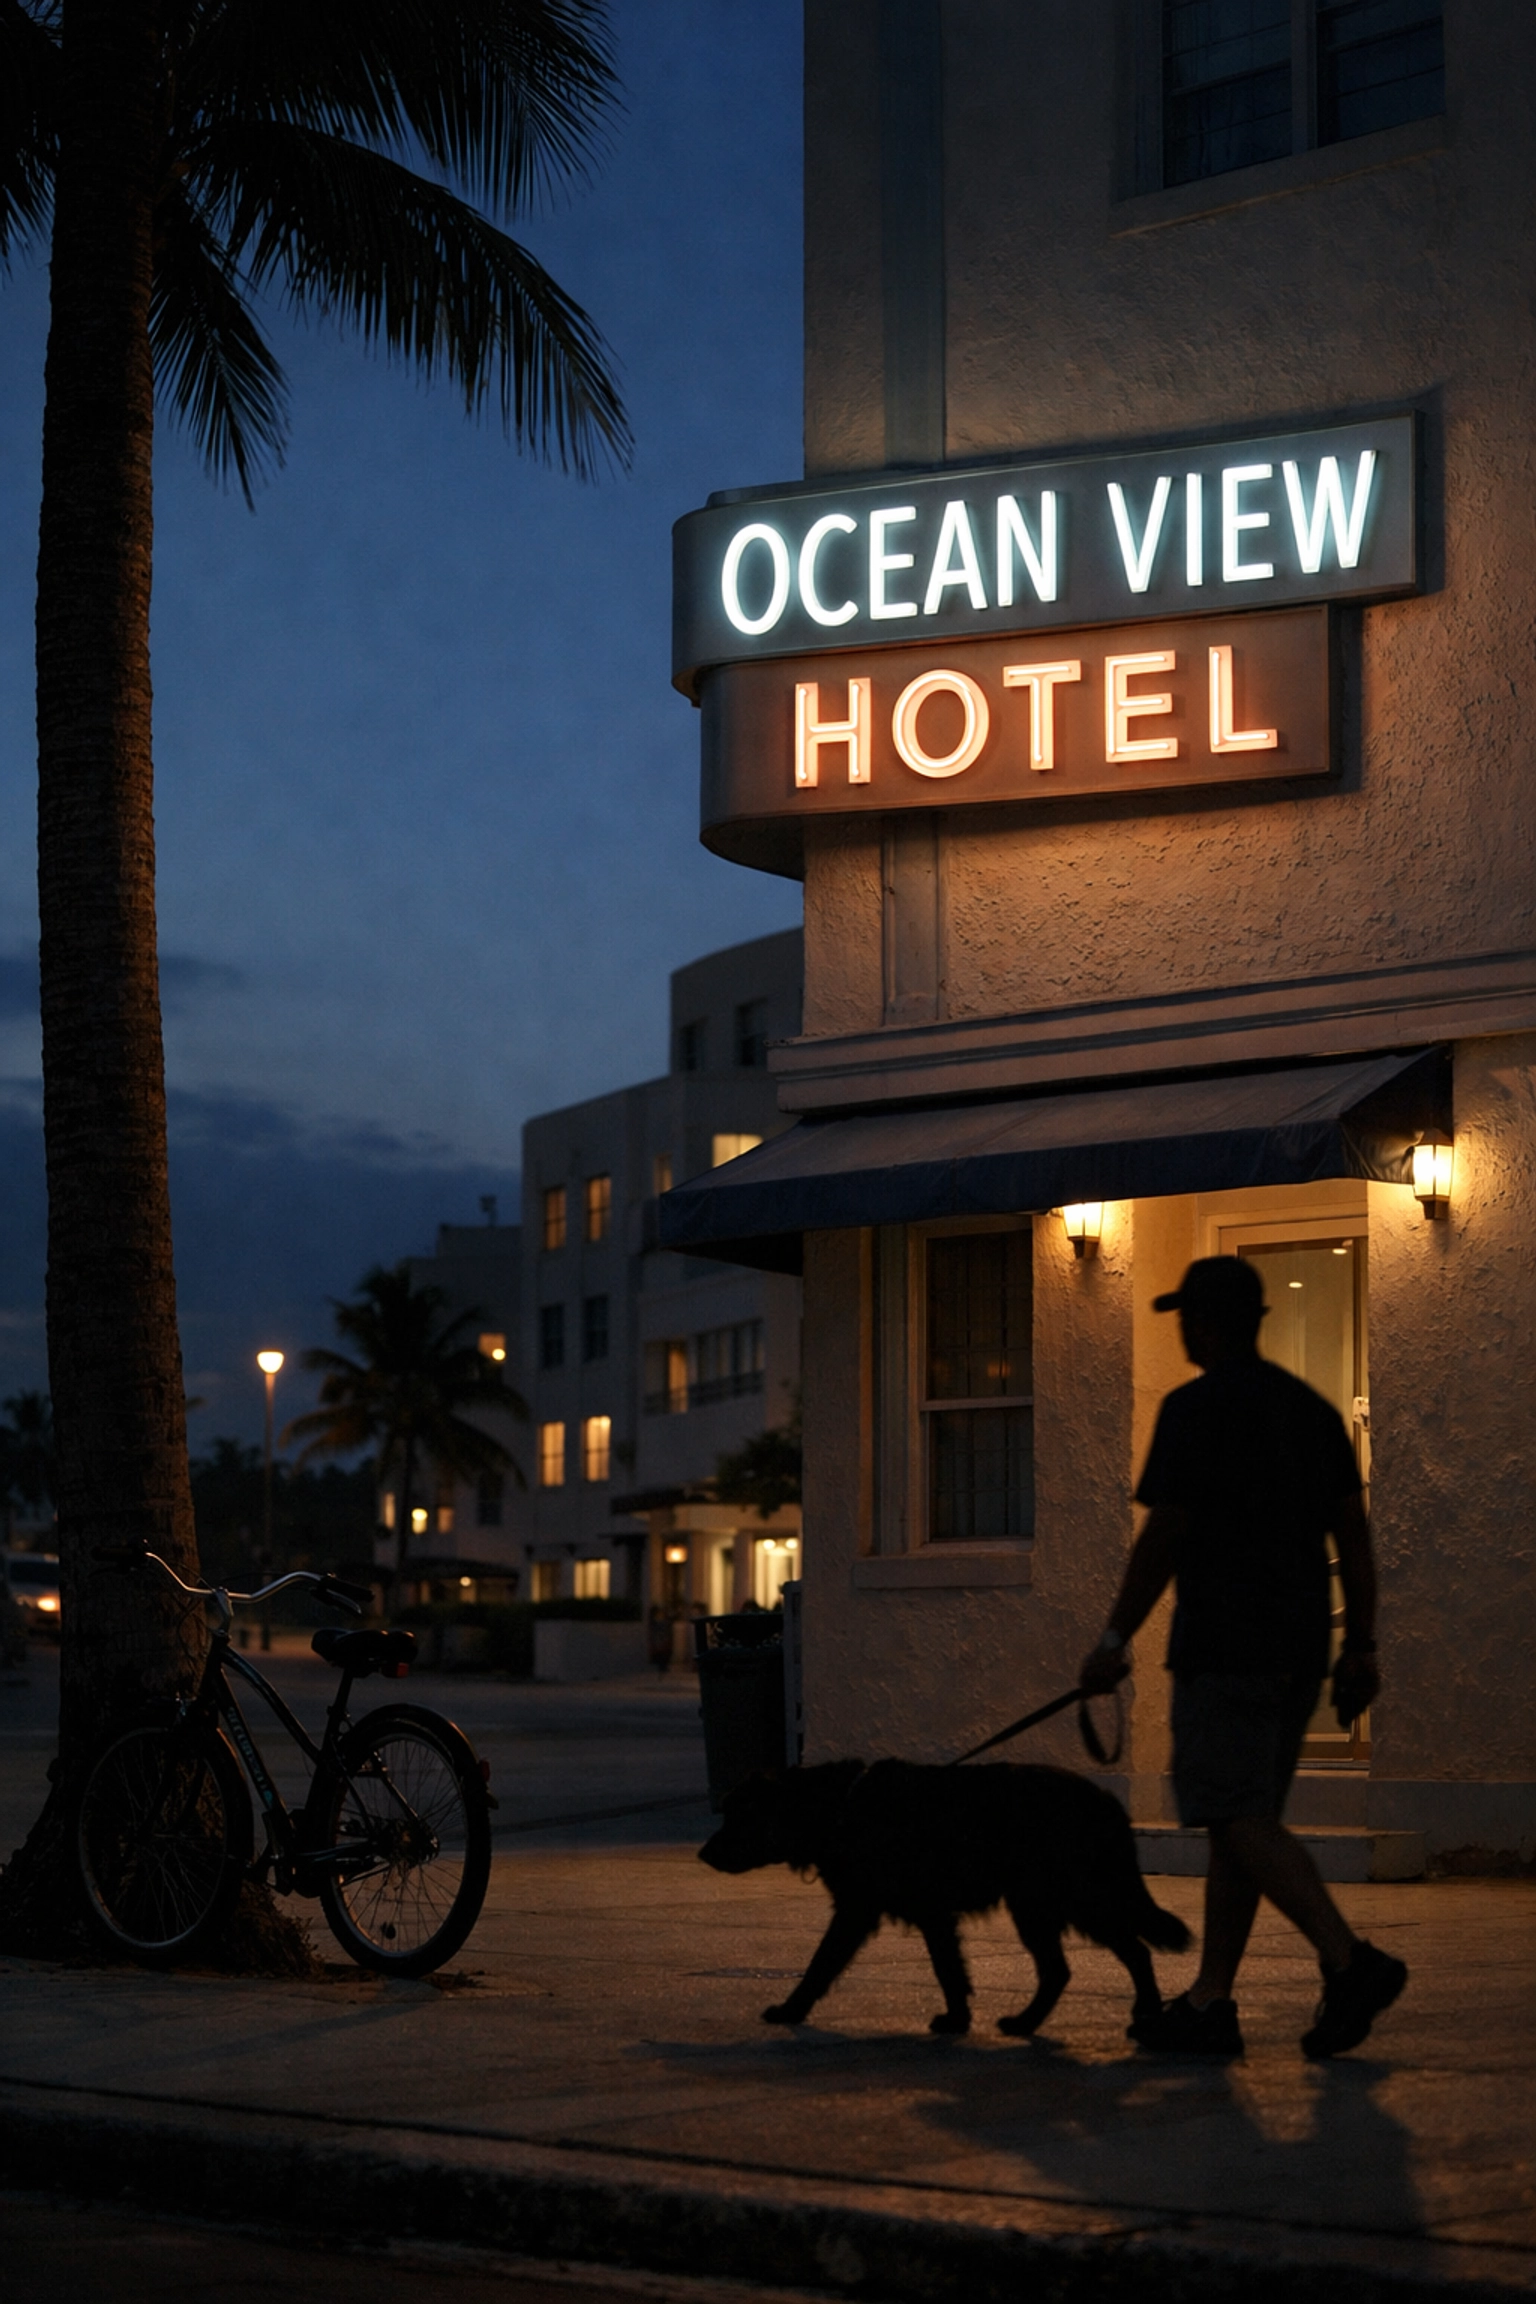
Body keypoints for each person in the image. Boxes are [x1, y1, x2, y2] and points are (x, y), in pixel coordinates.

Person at [1079, 1255, 1407, 2060]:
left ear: (1208, 1321)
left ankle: (1349, 1960)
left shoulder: (1193, 1410)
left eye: (1186, 1315)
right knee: (1242, 1825)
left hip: (1225, 1648)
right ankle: (1209, 2001)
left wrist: (1113, 1641)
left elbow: (1165, 1534)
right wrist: (1359, 1644)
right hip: (1300, 1648)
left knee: (1232, 1813)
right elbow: (1353, 1537)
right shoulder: (1312, 1412)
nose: (1181, 1329)